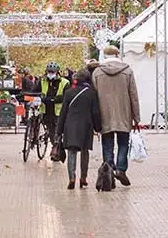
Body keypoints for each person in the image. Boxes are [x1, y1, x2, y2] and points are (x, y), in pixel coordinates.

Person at [94, 45, 140, 186]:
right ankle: (120, 169)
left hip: (104, 114)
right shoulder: (128, 71)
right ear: (117, 54)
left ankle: (108, 171)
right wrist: (136, 117)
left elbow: (94, 96)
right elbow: (133, 96)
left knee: (107, 144)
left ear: (104, 55)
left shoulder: (97, 72)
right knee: (123, 143)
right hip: (124, 114)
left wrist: (95, 119)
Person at [56, 70, 102, 190]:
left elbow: (63, 112)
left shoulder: (69, 92)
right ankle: (83, 178)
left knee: (72, 152)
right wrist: (98, 127)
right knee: (85, 152)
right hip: (86, 126)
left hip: (70, 125)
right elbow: (95, 112)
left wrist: (59, 130)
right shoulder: (92, 93)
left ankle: (72, 178)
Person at [40, 62, 68, 142]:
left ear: (57, 72)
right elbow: (34, 90)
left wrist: (53, 99)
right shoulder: (42, 81)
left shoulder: (64, 82)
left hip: (58, 112)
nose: (50, 74)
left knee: (57, 133)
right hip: (46, 111)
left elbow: (66, 97)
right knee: (51, 133)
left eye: (52, 72)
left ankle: (58, 151)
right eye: (49, 72)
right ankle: (57, 150)